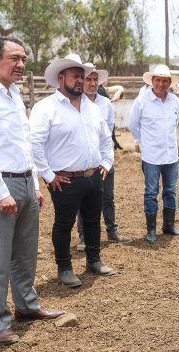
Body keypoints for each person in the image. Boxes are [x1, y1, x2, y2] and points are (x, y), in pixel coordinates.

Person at [0, 36, 64, 345]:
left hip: (24, 182)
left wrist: (33, 184)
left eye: (23, 59)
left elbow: (23, 143)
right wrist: (1, 190)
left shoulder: (14, 94)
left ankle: (27, 306)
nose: (21, 65)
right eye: (14, 58)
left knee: (25, 251)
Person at [29, 54, 116, 288]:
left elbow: (106, 138)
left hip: (93, 174)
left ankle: (94, 260)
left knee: (92, 220)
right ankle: (64, 268)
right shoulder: (45, 108)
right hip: (64, 179)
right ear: (61, 78)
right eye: (75, 76)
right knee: (64, 223)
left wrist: (107, 163)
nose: (80, 80)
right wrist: (48, 175)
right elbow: (34, 143)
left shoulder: (93, 107)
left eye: (82, 76)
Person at [75, 64, 131, 252]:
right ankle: (83, 236)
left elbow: (108, 131)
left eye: (95, 80)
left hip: (103, 156)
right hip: (85, 158)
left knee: (108, 196)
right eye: (89, 80)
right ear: (82, 81)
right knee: (84, 199)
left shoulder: (105, 103)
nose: (92, 84)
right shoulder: (77, 102)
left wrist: (108, 157)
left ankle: (112, 230)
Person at [129, 64, 179, 243]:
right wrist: (143, 143)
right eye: (158, 80)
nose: (161, 84)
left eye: (165, 81)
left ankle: (168, 225)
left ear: (169, 82)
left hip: (171, 155)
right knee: (151, 192)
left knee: (170, 191)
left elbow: (175, 122)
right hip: (152, 155)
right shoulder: (142, 101)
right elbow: (133, 125)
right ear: (152, 81)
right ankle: (151, 230)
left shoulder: (174, 100)